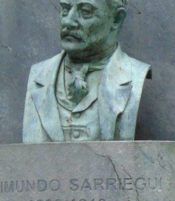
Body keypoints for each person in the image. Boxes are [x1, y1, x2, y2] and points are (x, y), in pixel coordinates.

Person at [23, 0, 150, 143]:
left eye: (85, 12)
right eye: (65, 9)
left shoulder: (134, 75)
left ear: (116, 19)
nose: (68, 21)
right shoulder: (39, 76)